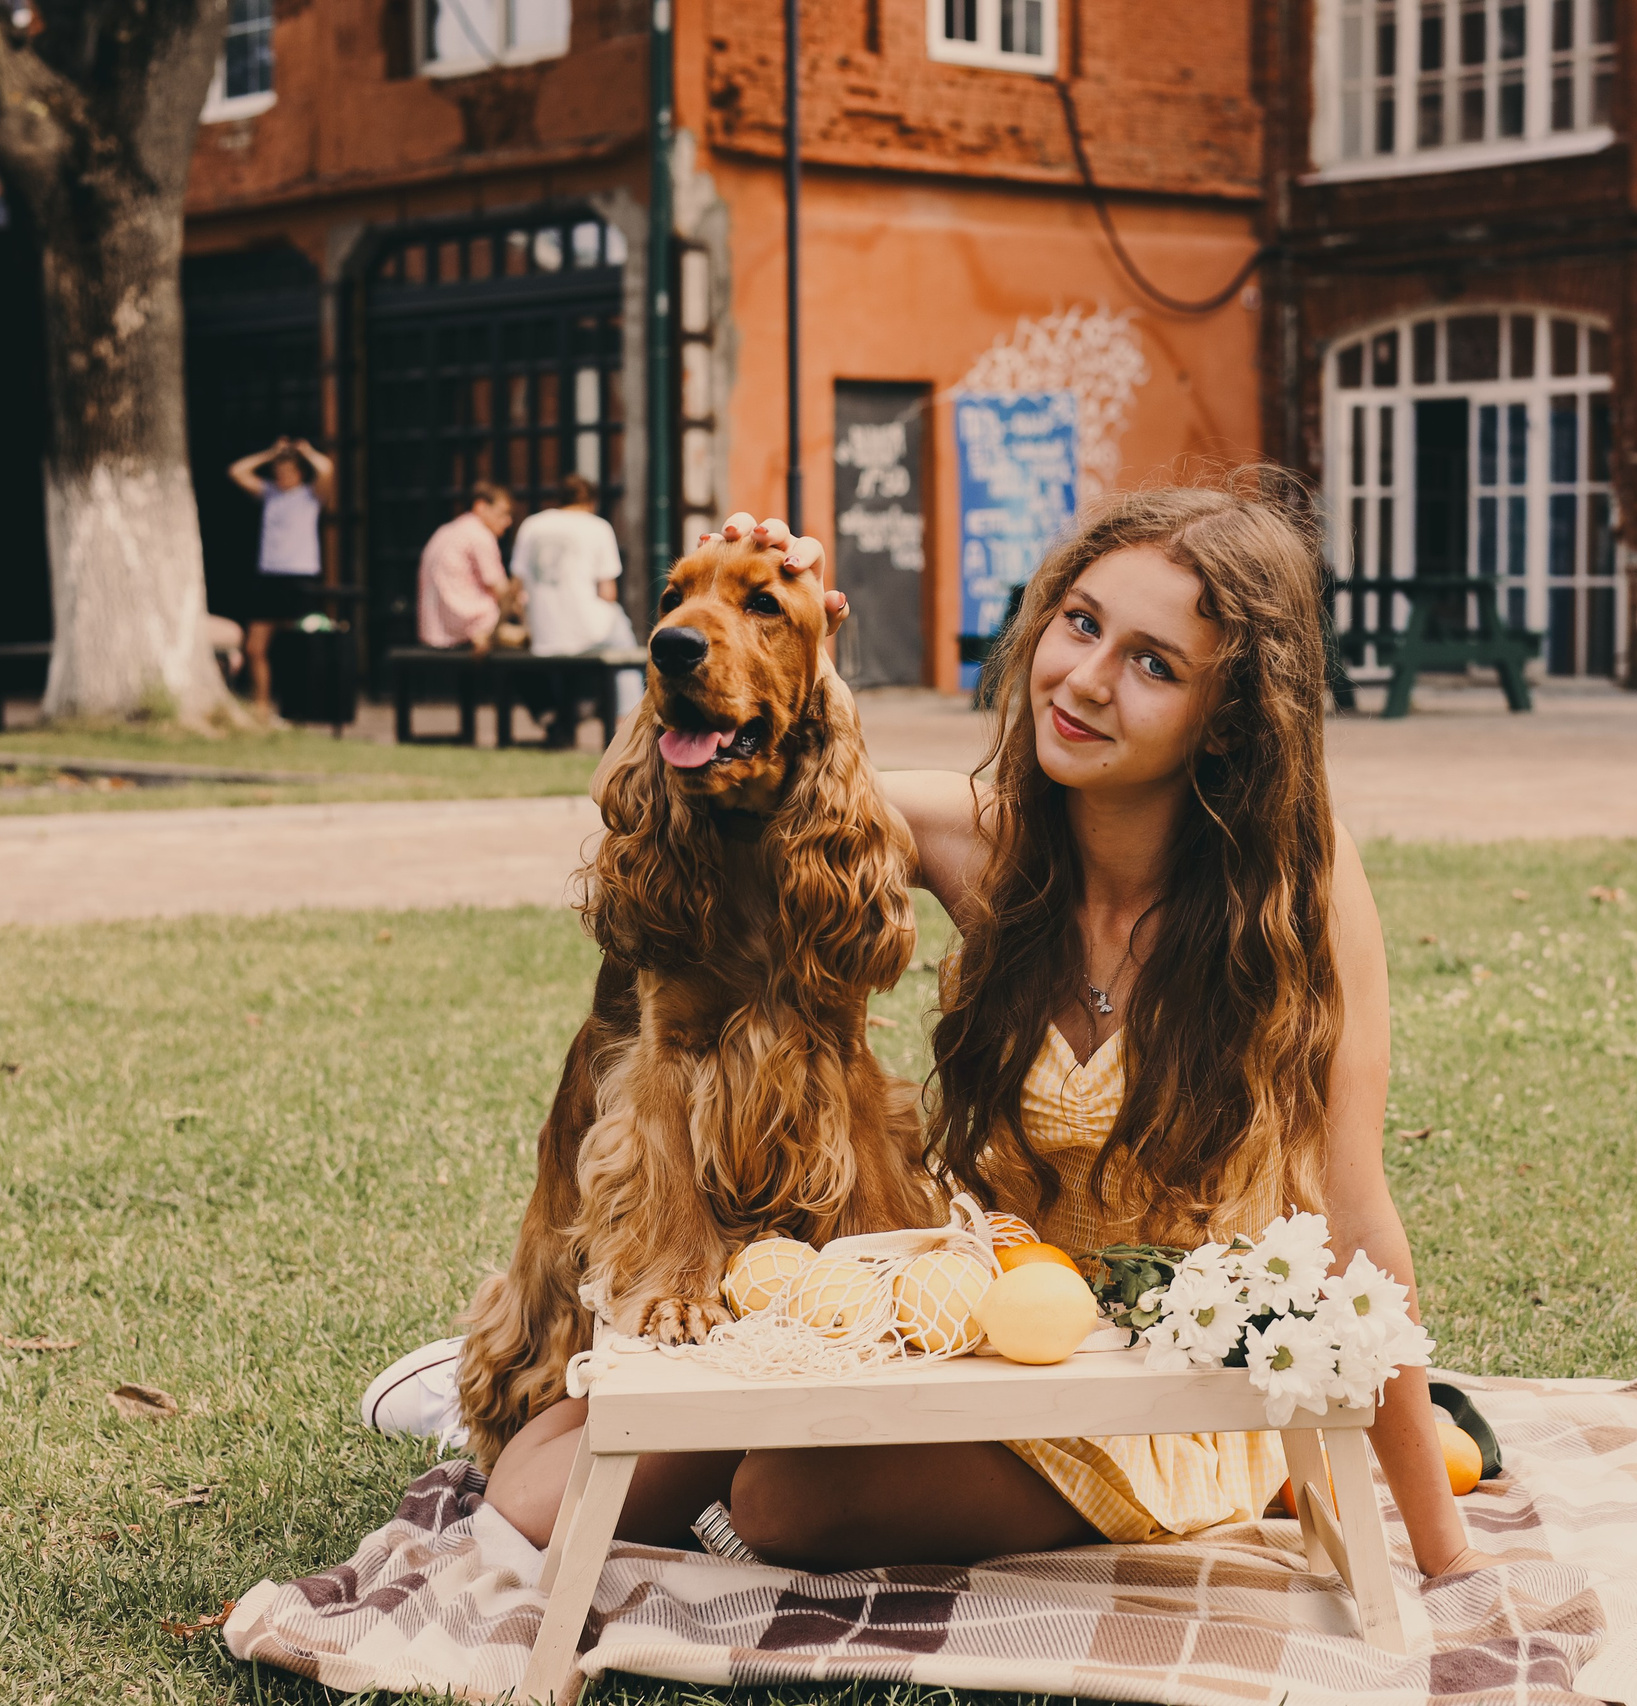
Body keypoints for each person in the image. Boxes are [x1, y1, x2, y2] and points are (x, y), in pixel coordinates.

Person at [451, 488, 1501, 1581]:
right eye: (1081, 622)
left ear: (1229, 714)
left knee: (786, 1497)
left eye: (1153, 664)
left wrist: (1443, 1549)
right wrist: (762, 627)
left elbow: (1357, 1211)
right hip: (958, 1314)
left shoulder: (1295, 888)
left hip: (1159, 1381)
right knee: (529, 1487)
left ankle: (1250, 1476)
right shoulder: (974, 833)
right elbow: (735, 788)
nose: (1087, 680)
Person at [510, 474, 644, 741]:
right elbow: (608, 592)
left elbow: (517, 586)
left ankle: (562, 718)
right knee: (624, 639)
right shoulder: (597, 527)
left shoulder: (531, 525)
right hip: (587, 630)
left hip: (544, 632)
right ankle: (630, 718)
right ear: (590, 502)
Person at [226, 437, 336, 709]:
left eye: (288, 471)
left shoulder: (311, 496)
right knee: (255, 647)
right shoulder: (269, 493)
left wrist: (307, 452)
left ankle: (298, 705)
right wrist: (269, 453)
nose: (282, 476)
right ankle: (261, 704)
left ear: (299, 473)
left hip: (300, 576)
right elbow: (237, 471)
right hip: (269, 577)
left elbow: (328, 469)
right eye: (278, 471)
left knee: (299, 646)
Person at [416, 483, 515, 652]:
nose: (508, 521)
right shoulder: (480, 534)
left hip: (434, 632)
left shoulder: (445, 531)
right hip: (472, 629)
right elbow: (501, 589)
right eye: (503, 513)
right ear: (481, 506)